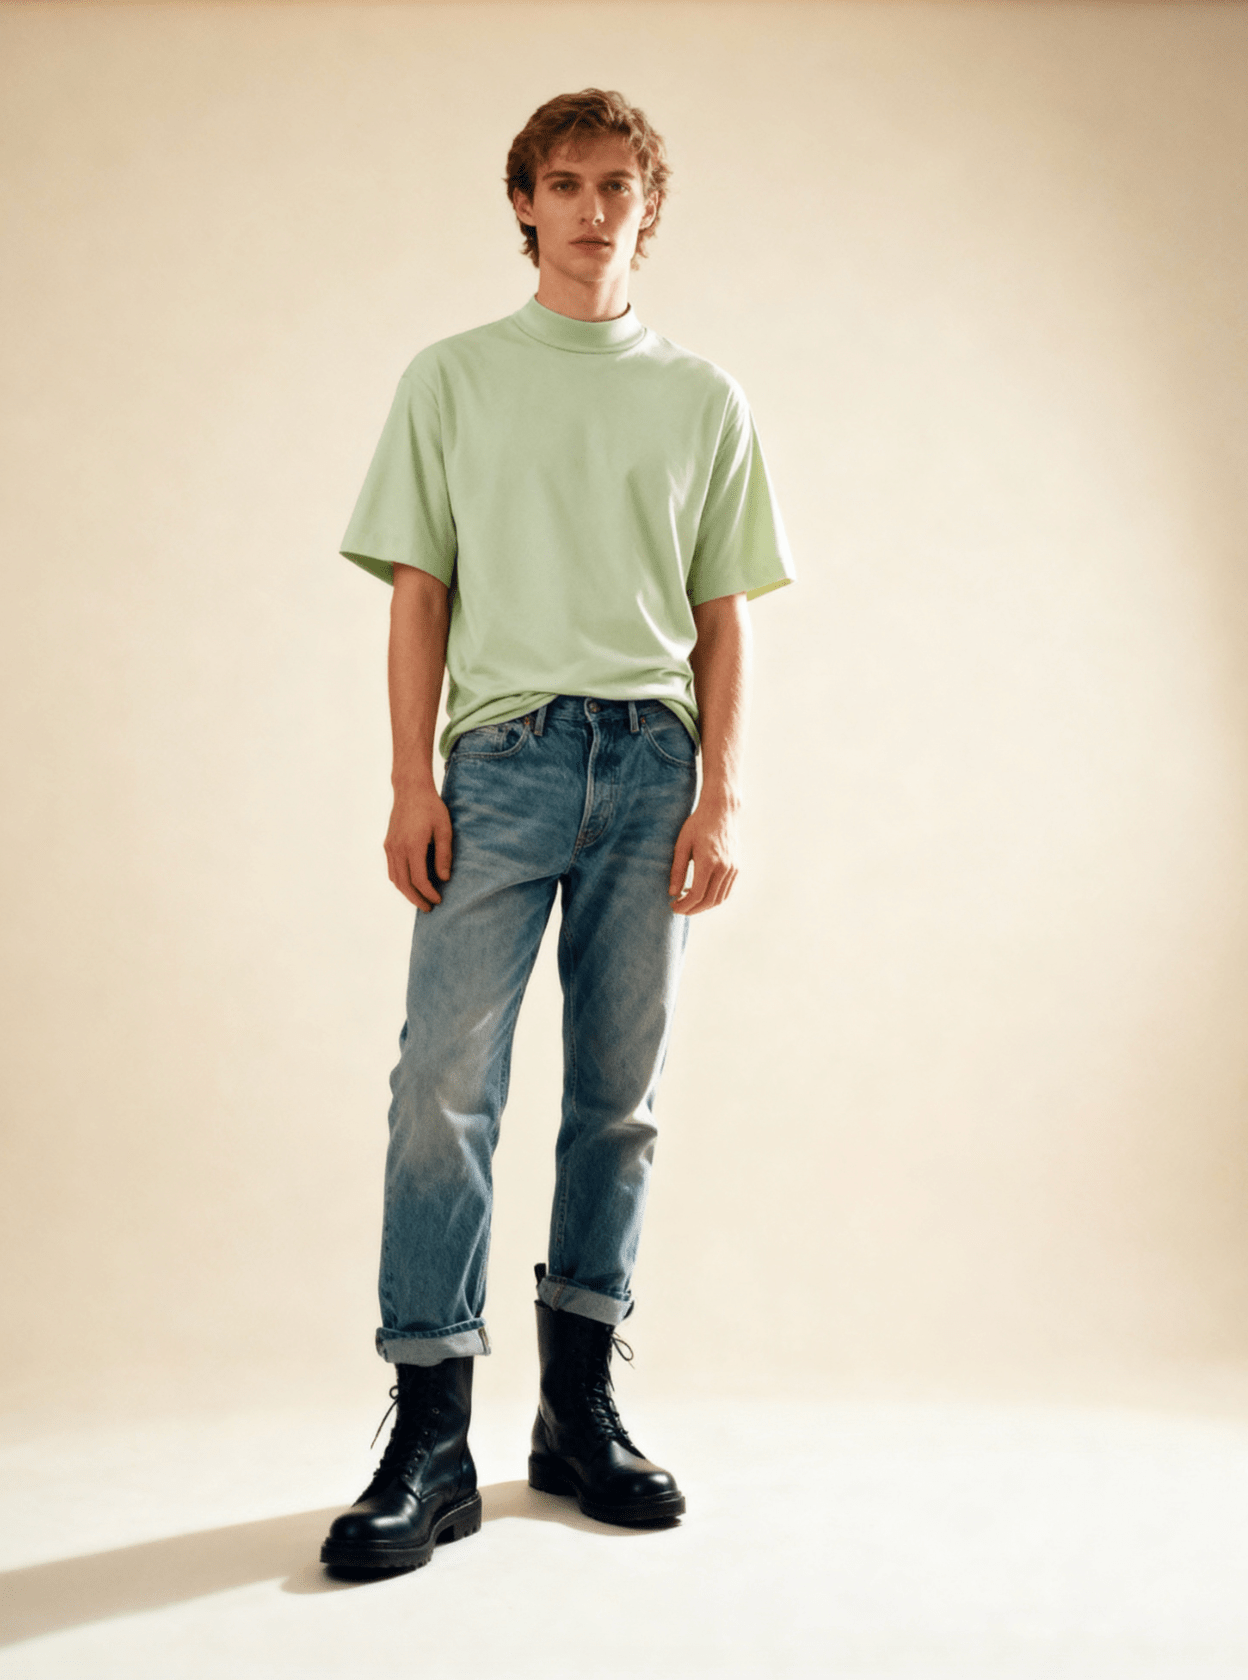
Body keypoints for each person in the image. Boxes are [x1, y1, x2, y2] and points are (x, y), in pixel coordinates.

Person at [320, 87, 794, 1575]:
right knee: (443, 1085)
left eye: (617, 186)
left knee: (619, 1096)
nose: (593, 208)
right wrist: (413, 779)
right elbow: (420, 594)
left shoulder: (702, 398)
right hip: (505, 760)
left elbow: (723, 620)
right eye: (565, 183)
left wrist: (721, 788)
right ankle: (430, 1433)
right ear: (523, 203)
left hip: (652, 764)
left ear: (650, 209)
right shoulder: (454, 379)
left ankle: (576, 1416)